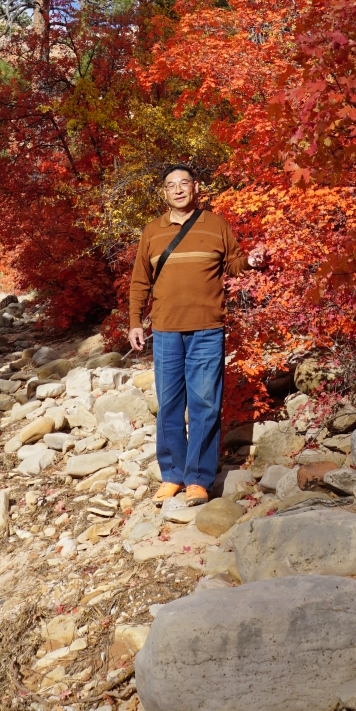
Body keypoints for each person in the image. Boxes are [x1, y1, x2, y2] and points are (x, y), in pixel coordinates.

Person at [128, 163, 265, 507]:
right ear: (164, 193)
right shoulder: (151, 232)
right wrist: (134, 322)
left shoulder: (216, 225)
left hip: (207, 327)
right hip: (165, 330)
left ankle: (199, 479)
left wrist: (250, 260)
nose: (178, 189)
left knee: (204, 403)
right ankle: (173, 475)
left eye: (184, 183)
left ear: (196, 187)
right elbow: (140, 282)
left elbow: (233, 262)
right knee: (170, 403)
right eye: (171, 185)